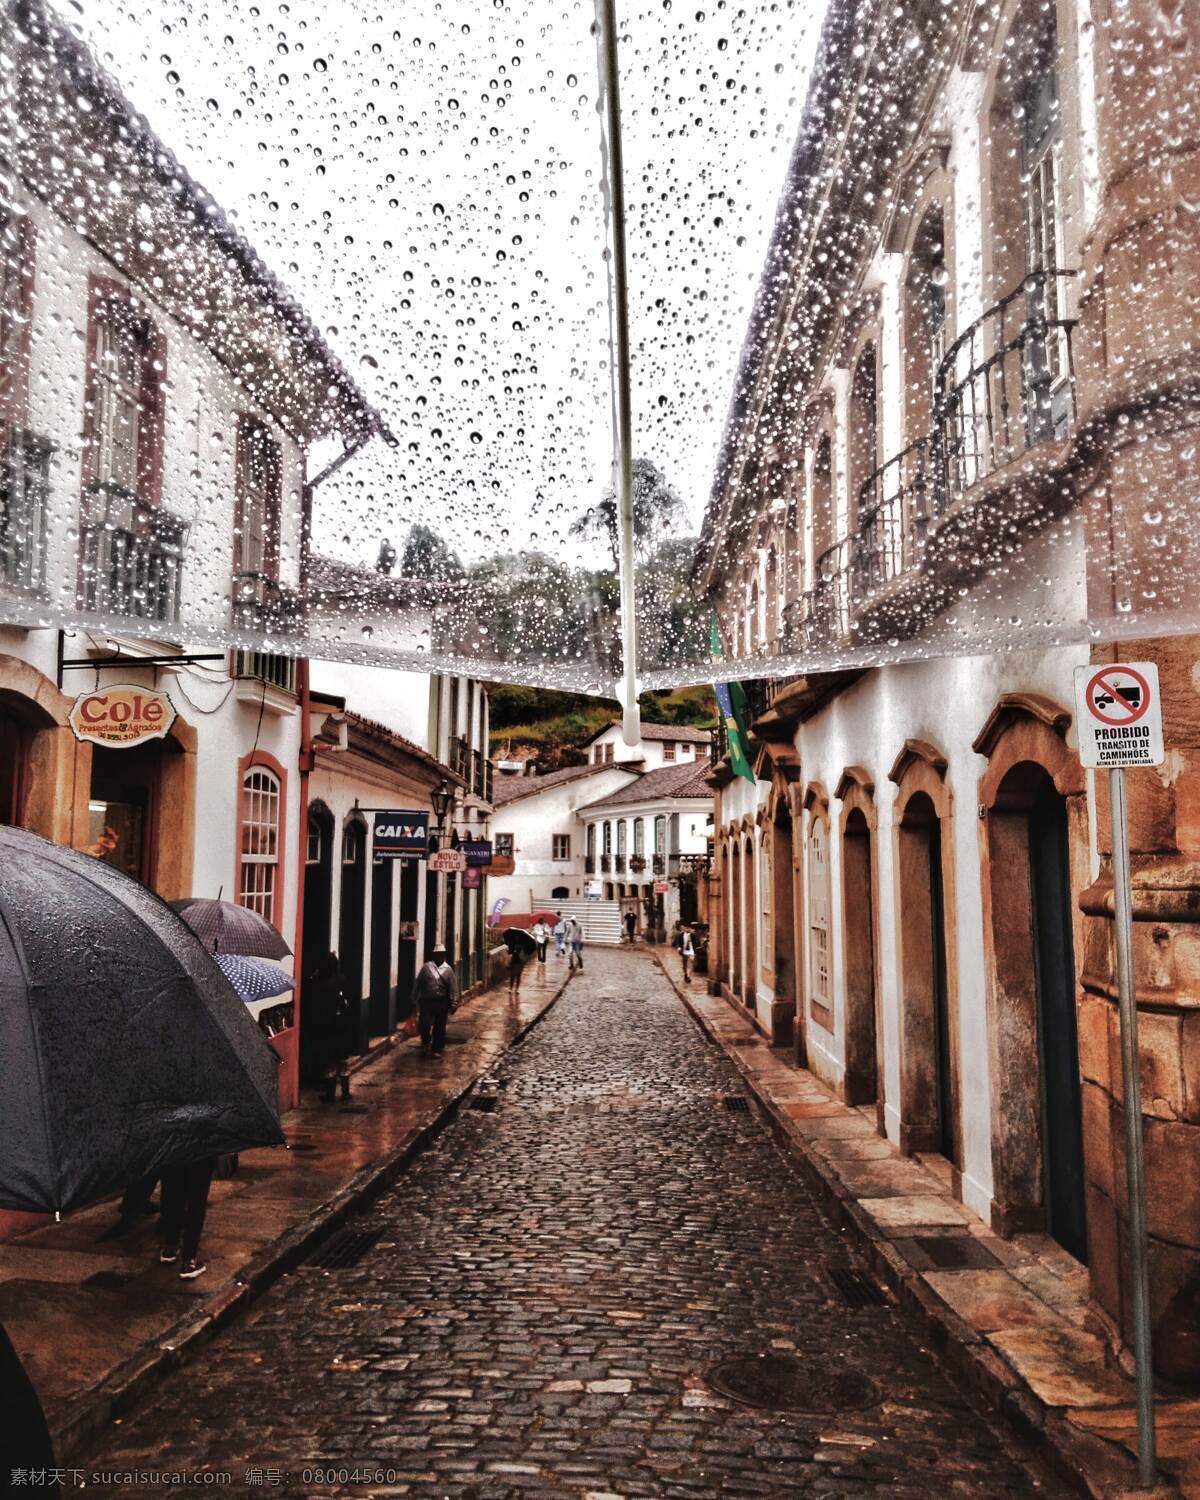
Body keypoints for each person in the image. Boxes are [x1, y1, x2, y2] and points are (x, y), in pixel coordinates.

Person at [305, 951, 355, 1102]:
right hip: (342, 1026)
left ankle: (330, 1094)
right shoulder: (342, 979)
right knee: (343, 1061)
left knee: (329, 1062)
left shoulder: (320, 983)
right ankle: (345, 1093)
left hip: (327, 1027)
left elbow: (315, 1005)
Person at [159, 1155, 216, 1280]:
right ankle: (189, 1259)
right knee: (196, 1202)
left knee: (173, 1195)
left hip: (173, 1150)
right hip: (201, 1151)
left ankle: (170, 1247)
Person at [411, 943, 460, 1055]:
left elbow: (453, 987)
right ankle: (426, 1041)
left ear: (444, 955)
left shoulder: (448, 970)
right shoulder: (427, 967)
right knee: (424, 1022)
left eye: (441, 954)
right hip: (426, 1001)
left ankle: (437, 1048)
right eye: (437, 954)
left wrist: (454, 1003)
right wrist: (414, 997)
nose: (439, 956)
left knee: (439, 1026)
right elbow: (418, 983)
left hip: (441, 1001)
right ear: (434, 955)